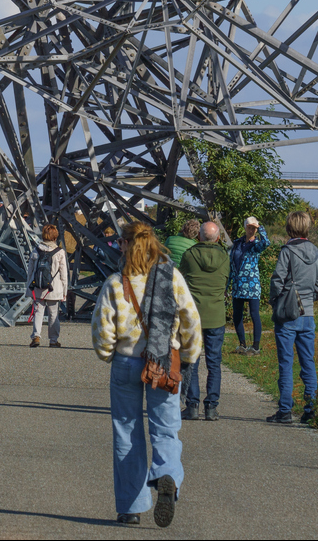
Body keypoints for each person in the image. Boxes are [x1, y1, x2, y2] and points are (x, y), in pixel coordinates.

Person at [91, 221, 202, 527]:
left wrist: (108, 354)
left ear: (127, 245)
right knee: (166, 429)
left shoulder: (116, 282)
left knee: (127, 433)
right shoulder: (172, 277)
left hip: (127, 362)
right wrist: (189, 355)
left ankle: (131, 507)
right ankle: (167, 475)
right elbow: (190, 318)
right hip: (164, 363)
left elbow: (102, 331)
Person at [267, 211, 318, 424]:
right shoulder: (316, 252)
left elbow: (277, 281)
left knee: (286, 362)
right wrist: (308, 299)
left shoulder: (287, 251)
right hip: (308, 314)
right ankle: (311, 409)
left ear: (289, 227)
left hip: (288, 314)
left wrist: (276, 301)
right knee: (308, 362)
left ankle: (284, 410)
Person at [177, 221, 229, 421]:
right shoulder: (225, 257)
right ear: (217, 238)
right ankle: (211, 407)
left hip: (193, 315)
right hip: (216, 315)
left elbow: (181, 281)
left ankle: (192, 405)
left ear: (198, 236)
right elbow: (226, 281)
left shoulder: (189, 255)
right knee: (214, 363)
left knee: (192, 362)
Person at [228, 216, 269, 355]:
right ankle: (242, 345)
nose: (251, 230)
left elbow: (266, 243)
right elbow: (231, 263)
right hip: (238, 284)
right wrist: (228, 284)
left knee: (254, 314)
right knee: (237, 315)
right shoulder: (237, 243)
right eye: (250, 227)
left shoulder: (256, 245)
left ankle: (256, 347)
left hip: (252, 285)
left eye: (254, 228)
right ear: (245, 227)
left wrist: (261, 228)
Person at [28, 224, 69, 348]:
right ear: (55, 236)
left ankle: (36, 336)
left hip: (38, 287)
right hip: (54, 288)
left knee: (38, 312)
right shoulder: (60, 252)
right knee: (53, 314)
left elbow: (30, 272)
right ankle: (53, 340)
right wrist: (64, 291)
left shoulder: (36, 250)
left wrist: (29, 288)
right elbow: (64, 275)